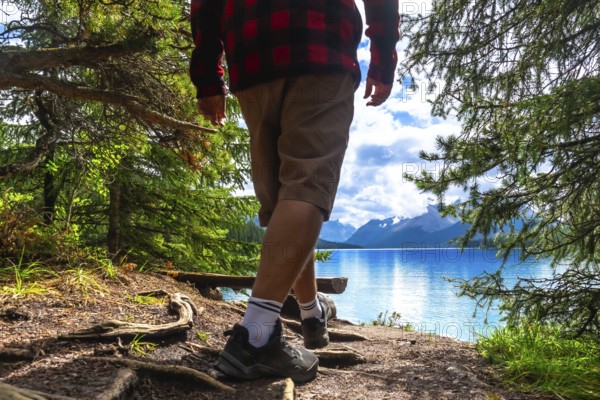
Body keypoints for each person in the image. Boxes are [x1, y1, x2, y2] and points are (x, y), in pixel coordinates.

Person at [190, 0, 399, 383]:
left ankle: (310, 313)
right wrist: (382, 57)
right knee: (306, 187)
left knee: (285, 199)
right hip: (320, 41)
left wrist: (206, 73)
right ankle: (255, 337)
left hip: (250, 51)